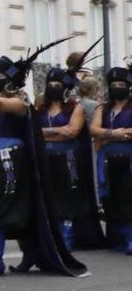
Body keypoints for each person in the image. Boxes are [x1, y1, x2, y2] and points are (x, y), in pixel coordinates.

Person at [0, 58, 84, 277]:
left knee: (4, 210)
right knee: (4, 209)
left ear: (11, 81)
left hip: (10, 162)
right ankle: (20, 257)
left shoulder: (21, 102)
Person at [39, 65, 101, 251]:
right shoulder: (40, 108)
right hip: (45, 158)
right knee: (48, 197)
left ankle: (67, 238)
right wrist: (57, 130)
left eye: (57, 83)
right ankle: (51, 238)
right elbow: (34, 131)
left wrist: (46, 134)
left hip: (68, 159)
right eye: (50, 83)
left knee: (68, 197)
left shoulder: (76, 107)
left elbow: (72, 132)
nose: (53, 87)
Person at [95, 67, 132, 253]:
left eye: (121, 84)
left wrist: (107, 136)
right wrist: (115, 133)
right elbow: (94, 129)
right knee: (110, 197)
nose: (117, 87)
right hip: (107, 159)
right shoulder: (103, 108)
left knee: (128, 196)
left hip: (128, 159)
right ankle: (115, 237)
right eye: (114, 85)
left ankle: (130, 238)